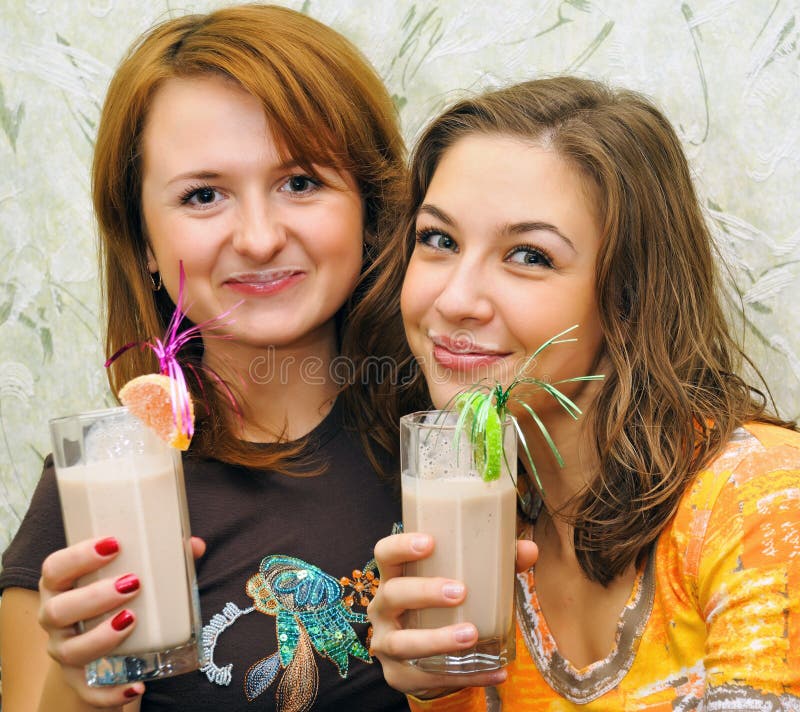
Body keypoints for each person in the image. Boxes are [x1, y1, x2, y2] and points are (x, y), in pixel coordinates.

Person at [0, 5, 424, 711]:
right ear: (141, 239)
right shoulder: (96, 490)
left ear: (370, 206)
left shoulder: (456, 440)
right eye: (203, 195)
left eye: (301, 181)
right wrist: (77, 690)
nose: (258, 238)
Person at [365, 76, 800, 710]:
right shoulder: (479, 545)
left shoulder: (763, 502)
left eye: (529, 256)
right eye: (439, 240)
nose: (453, 300)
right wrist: (436, 695)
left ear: (626, 296)